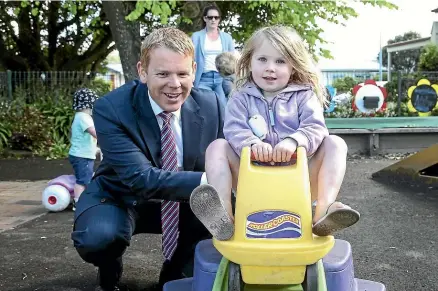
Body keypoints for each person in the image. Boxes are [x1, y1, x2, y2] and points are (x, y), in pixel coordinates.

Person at [71, 27, 224, 291]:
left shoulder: (213, 105)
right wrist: (214, 179)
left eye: (183, 73)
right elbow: (140, 178)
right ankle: (109, 265)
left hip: (185, 203)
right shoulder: (112, 108)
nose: (174, 84)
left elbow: (226, 157)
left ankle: (176, 268)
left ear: (194, 69)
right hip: (123, 196)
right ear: (143, 71)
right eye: (163, 74)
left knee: (192, 267)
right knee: (100, 237)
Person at [189, 25, 360, 241]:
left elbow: (315, 127)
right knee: (217, 147)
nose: (270, 68)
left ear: (293, 66)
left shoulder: (304, 96)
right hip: (252, 180)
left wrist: (293, 141)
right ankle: (223, 215)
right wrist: (251, 144)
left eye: (280, 61)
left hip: (299, 180)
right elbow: (233, 129)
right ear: (249, 61)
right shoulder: (241, 97)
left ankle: (323, 211)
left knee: (335, 143)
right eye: (262, 60)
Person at [192, 4, 235, 107]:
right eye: (210, 17)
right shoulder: (196, 36)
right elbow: (190, 59)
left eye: (216, 17)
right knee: (205, 106)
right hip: (203, 78)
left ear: (219, 19)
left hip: (221, 79)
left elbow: (232, 61)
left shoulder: (227, 38)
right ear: (205, 18)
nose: (213, 20)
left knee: (223, 108)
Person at [68, 88, 98, 210]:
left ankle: (81, 200)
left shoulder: (80, 116)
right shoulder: (83, 117)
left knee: (85, 178)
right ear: (89, 105)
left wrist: (96, 149)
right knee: (83, 180)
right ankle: (78, 203)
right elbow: (94, 132)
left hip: (82, 154)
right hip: (82, 155)